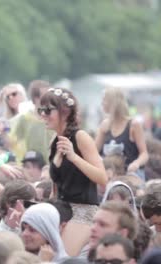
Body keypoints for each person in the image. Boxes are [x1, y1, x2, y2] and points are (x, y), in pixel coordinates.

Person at [39, 87, 107, 256]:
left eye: (47, 110)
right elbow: (56, 187)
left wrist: (73, 157)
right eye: (41, 110)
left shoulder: (80, 137)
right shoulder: (54, 142)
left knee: (61, 258)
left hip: (83, 212)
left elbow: (102, 178)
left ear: (65, 111)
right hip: (60, 211)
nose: (43, 115)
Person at [95, 87, 148, 175]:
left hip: (130, 175)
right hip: (110, 176)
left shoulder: (133, 125)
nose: (102, 103)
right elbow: (93, 151)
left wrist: (136, 164)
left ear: (113, 103)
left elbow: (144, 154)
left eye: (104, 100)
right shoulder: (105, 125)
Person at [8, 80, 53, 163]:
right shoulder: (25, 118)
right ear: (36, 98)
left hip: (53, 166)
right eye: (45, 96)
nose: (49, 99)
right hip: (33, 167)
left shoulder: (55, 116)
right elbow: (12, 143)